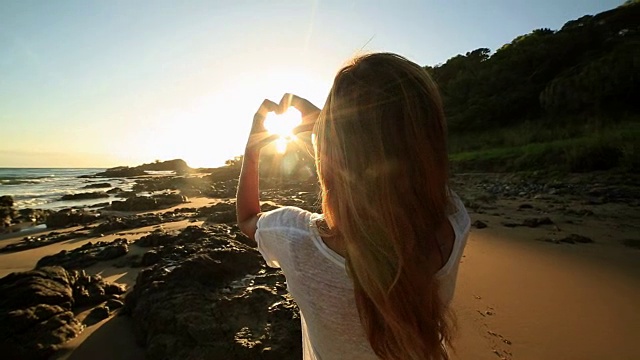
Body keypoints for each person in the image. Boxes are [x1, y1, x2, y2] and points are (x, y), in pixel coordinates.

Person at [236, 53, 470, 360]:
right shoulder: (453, 222)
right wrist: (331, 126)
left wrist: (252, 150)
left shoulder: (296, 240)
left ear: (332, 148)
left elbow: (248, 219)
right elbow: (392, 155)